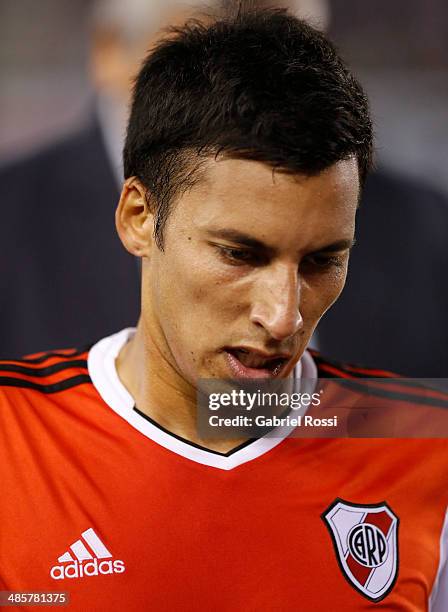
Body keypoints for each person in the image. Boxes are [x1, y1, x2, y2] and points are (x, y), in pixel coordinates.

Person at [1, 8, 447, 610]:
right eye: (240, 253)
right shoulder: (13, 441)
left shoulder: (427, 445)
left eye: (321, 261)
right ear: (138, 218)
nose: (284, 316)